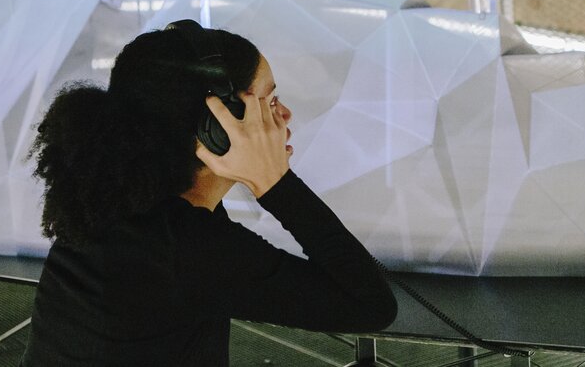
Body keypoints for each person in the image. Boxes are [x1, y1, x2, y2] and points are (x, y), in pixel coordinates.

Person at [20, 20, 397, 366]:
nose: (284, 115)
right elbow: (371, 304)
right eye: (268, 101)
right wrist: (276, 185)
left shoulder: (117, 211)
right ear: (216, 126)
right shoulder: (185, 247)